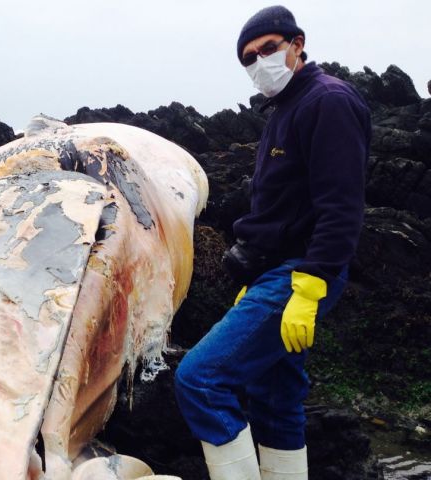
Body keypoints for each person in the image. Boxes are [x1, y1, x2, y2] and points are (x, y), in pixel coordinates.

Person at [173, 5, 371, 480]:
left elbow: (342, 203)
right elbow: (280, 204)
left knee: (200, 380)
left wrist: (310, 285)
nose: (258, 62)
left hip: (300, 273)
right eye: (248, 58)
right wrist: (255, 273)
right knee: (275, 396)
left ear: (296, 45)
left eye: (268, 50)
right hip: (275, 271)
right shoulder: (287, 107)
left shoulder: (328, 101)